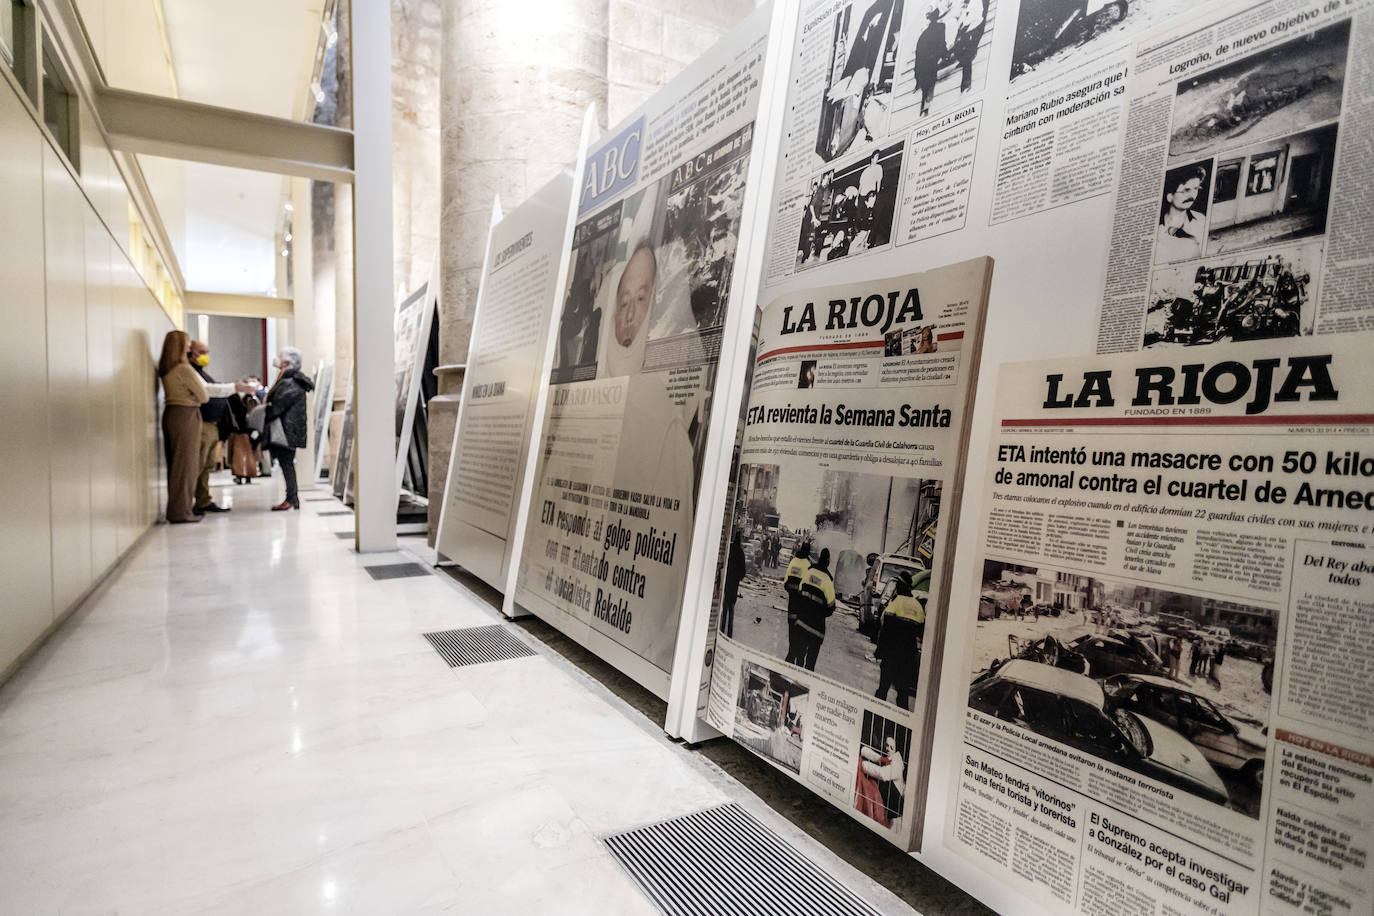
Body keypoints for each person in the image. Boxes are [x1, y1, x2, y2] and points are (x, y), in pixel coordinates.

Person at [158, 331, 209, 524]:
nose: (189, 349)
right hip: (186, 415)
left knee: (176, 465)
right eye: (187, 345)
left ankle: (178, 509)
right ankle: (182, 512)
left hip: (172, 414)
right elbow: (204, 396)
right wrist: (195, 395)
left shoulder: (166, 368)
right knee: (187, 466)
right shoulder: (184, 369)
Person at [262, 346, 315, 511]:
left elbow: (278, 405)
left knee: (287, 464)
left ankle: (291, 498)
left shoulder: (290, 382)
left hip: (286, 431)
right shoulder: (290, 380)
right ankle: (292, 498)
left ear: (287, 362)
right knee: (287, 464)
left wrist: (266, 410)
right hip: (288, 430)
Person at [187, 340, 235, 514]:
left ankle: (203, 499)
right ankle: (190, 502)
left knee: (207, 465)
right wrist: (234, 387)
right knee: (198, 464)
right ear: (190, 352)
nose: (205, 356)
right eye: (201, 352)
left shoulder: (200, 372)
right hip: (202, 424)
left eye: (206, 352)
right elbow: (207, 391)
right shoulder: (189, 371)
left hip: (211, 425)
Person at [874, 572, 925, 709]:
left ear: (901, 586)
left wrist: (879, 651)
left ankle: (876, 715)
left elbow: (885, 630)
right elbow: (920, 632)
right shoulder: (918, 607)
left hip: (891, 655)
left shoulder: (896, 604)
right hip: (908, 658)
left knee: (883, 689)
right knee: (903, 694)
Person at [794, 547, 836, 671]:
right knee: (810, 664)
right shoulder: (828, 581)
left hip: (801, 623)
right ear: (828, 561)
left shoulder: (808, 572)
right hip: (816, 630)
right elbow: (831, 607)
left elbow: (799, 593)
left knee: (799, 660)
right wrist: (820, 614)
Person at [1156, 165, 1208, 263]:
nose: (1192, 195)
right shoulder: (1157, 227)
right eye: (1186, 190)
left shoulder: (1201, 220)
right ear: (1170, 197)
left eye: (1196, 188)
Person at [860, 735, 906, 832]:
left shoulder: (897, 764)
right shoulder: (889, 759)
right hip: (889, 810)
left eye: (891, 747)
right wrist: (862, 750)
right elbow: (878, 758)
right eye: (886, 745)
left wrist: (863, 764)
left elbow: (882, 774)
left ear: (896, 750)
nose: (888, 749)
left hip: (896, 818)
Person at [783, 543, 812, 667]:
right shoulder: (808, 565)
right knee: (800, 635)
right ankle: (795, 659)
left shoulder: (793, 561)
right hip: (802, 608)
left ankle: (790, 654)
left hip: (791, 605)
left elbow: (785, 583)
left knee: (791, 633)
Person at [914, 7, 947, 117]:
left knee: (926, 84)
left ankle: (924, 105)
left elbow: (919, 52)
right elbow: (942, 43)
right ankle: (926, 104)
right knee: (930, 82)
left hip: (925, 62)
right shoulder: (940, 27)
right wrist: (943, 54)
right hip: (930, 60)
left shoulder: (925, 33)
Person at [953, 0, 987, 93]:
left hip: (975, 26)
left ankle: (966, 83)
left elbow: (973, 17)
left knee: (967, 56)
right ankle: (964, 60)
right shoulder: (964, 4)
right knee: (959, 51)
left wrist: (964, 24)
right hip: (966, 28)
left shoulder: (976, 2)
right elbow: (961, 17)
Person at [722, 530, 747, 639]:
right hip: (734, 585)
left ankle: (722, 630)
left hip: (727, 582)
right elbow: (743, 571)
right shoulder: (740, 552)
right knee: (731, 609)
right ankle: (729, 634)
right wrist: (738, 578)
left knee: (725, 608)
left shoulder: (730, 549)